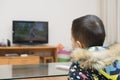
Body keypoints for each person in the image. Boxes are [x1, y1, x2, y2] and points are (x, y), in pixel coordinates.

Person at [68, 15, 120, 80]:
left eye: (71, 40)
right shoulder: (116, 61)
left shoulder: (77, 69)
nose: (71, 44)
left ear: (79, 45)